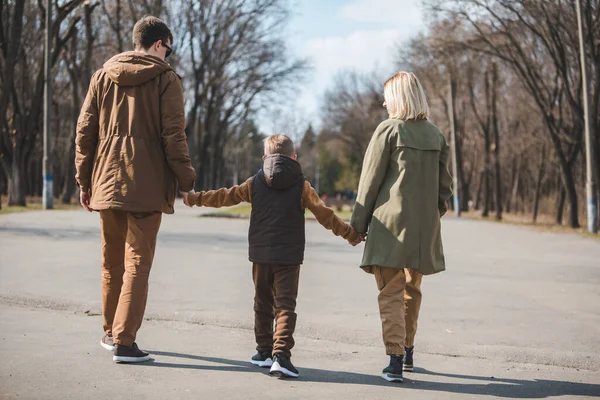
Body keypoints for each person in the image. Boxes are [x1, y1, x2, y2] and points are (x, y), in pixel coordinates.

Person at [182, 134, 361, 378]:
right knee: (285, 305)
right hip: (288, 255)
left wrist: (194, 198)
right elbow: (324, 214)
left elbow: (224, 196)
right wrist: (349, 233)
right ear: (294, 157)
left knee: (262, 302)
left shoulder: (254, 182)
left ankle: (264, 352)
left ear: (265, 157)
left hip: (260, 254)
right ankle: (282, 356)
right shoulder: (302, 184)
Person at [75, 15, 196, 363]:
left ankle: (111, 331)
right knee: (137, 264)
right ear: (159, 44)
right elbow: (174, 135)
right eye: (169, 50)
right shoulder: (165, 80)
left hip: (106, 182)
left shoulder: (102, 77)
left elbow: (85, 132)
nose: (169, 57)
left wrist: (84, 180)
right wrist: (186, 181)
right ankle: (125, 344)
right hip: (145, 185)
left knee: (111, 263)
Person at [350, 71, 453, 382]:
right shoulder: (436, 135)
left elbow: (370, 182)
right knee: (412, 289)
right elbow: (444, 189)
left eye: (387, 96)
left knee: (391, 292)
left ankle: (394, 358)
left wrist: (357, 224)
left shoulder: (388, 130)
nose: (383, 102)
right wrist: (431, 216)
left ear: (397, 98)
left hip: (390, 227)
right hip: (424, 230)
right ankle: (407, 349)